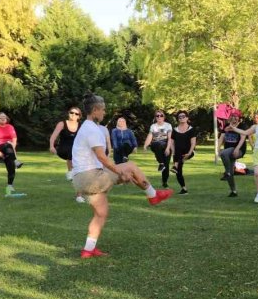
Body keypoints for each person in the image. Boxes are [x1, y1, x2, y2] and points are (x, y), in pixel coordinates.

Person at [72, 93, 172, 259]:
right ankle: (153, 195)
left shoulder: (85, 127)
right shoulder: (92, 129)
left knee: (101, 214)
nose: (104, 113)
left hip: (80, 179)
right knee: (130, 166)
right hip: (91, 177)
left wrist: (119, 174)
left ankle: (88, 250)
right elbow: (102, 157)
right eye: (103, 110)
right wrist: (121, 172)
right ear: (95, 110)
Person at [0, 112, 24, 197]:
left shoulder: (10, 127)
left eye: (5, 117)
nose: (3, 119)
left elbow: (14, 139)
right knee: (7, 144)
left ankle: (9, 185)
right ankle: (16, 161)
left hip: (9, 149)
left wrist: (12, 148)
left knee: (10, 165)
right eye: (1, 117)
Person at [48, 106, 81, 182]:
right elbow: (53, 136)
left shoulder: (80, 126)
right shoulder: (62, 124)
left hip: (75, 150)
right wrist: (51, 146)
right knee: (71, 151)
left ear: (79, 116)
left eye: (76, 114)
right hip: (63, 149)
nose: (73, 115)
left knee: (75, 151)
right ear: (68, 113)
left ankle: (75, 173)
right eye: (71, 112)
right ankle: (70, 172)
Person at [169, 111, 197, 195]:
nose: (181, 118)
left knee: (177, 165)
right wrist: (173, 153)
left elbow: (193, 143)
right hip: (177, 153)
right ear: (178, 119)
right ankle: (184, 189)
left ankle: (175, 165)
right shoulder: (175, 130)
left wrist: (189, 153)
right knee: (178, 171)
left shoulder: (191, 129)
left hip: (188, 151)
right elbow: (172, 142)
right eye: (180, 117)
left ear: (187, 118)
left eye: (183, 116)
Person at [142, 110, 172, 188]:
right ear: (155, 117)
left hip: (166, 144)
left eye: (161, 115)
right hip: (155, 144)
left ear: (164, 117)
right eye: (157, 116)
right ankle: (161, 163)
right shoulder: (153, 126)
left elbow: (170, 138)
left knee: (167, 165)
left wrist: (168, 148)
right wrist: (145, 145)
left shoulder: (168, 125)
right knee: (157, 144)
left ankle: (164, 182)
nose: (159, 117)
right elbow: (150, 136)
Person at [218, 113, 245, 197]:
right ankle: (233, 191)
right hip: (228, 151)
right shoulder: (226, 126)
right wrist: (218, 148)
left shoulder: (242, 126)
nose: (234, 119)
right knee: (230, 172)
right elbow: (221, 138)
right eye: (232, 118)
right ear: (229, 119)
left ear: (239, 119)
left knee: (224, 153)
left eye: (236, 118)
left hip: (239, 150)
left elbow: (243, 138)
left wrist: (237, 149)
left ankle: (227, 173)